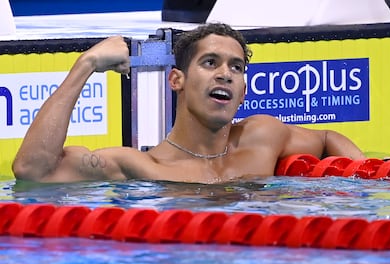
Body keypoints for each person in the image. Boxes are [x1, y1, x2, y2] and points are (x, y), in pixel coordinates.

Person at [12, 23, 366, 184]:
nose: (225, 74)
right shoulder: (138, 166)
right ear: (176, 80)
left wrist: (365, 176)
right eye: (210, 63)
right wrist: (85, 64)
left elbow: (326, 138)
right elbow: (33, 170)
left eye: (236, 67)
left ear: (243, 90)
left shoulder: (262, 137)